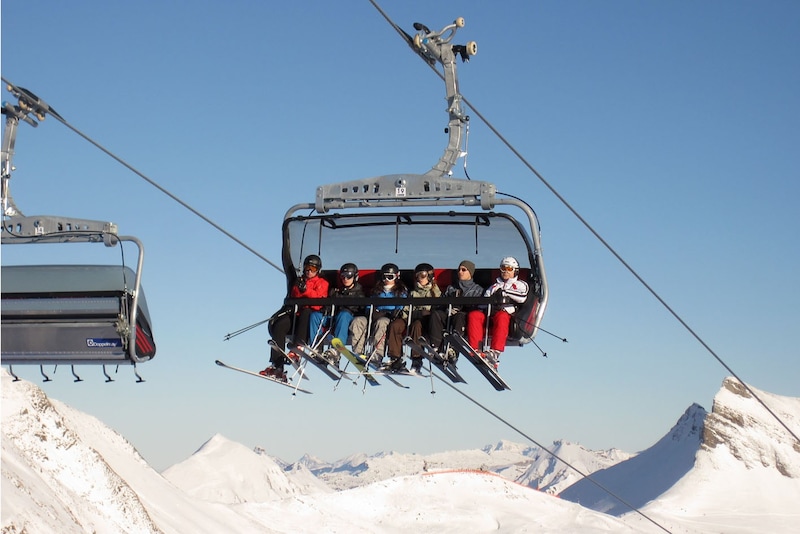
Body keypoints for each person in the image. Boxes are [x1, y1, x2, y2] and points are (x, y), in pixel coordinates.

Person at [261, 254, 329, 381]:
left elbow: (319, 300)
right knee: (280, 324)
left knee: (307, 312)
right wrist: (302, 289)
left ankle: (298, 349)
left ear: (318, 270)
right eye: (307, 268)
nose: (309, 271)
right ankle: (277, 364)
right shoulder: (299, 281)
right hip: (295, 315)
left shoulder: (322, 283)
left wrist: (306, 291)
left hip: (309, 318)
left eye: (313, 269)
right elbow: (294, 294)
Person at [466, 256, 529, 369]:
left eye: (509, 269)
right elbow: (484, 300)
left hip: (508, 313)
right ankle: (475, 348)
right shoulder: (494, 286)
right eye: (503, 268)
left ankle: (495, 351)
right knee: (474, 315)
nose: (505, 271)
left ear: (515, 271)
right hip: (490, 313)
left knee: (501, 316)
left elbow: (522, 297)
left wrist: (504, 293)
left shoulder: (520, 284)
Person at [350, 262, 408, 372]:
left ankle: (377, 356)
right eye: (384, 276)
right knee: (358, 321)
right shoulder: (377, 290)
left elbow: (401, 306)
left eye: (390, 277)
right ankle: (358, 352)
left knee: (382, 323)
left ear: (396, 276)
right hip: (374, 316)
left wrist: (393, 312)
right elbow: (369, 304)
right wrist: (371, 310)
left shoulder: (400, 291)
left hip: (388, 317)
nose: (387, 279)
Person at [311, 262, 366, 365]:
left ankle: (337, 349)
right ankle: (316, 347)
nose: (345, 279)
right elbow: (328, 304)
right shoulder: (336, 291)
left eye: (348, 276)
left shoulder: (359, 294)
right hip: (334, 316)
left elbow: (359, 309)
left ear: (355, 277)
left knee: (343, 314)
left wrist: (344, 306)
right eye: (343, 276)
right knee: (315, 316)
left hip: (348, 318)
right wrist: (326, 308)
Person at [427, 259, 484, 358]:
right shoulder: (451, 288)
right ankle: (436, 346)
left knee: (459, 316)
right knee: (436, 315)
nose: (460, 272)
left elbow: (478, 306)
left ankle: (453, 348)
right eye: (459, 270)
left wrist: (461, 307)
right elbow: (442, 301)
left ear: (470, 272)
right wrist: (447, 308)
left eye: (463, 270)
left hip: (464, 316)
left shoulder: (477, 290)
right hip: (450, 314)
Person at [407, 262, 442, 373]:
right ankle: (416, 360)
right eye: (417, 276)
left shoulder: (436, 293)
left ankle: (436, 348)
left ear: (430, 276)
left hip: (432, 323)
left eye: (422, 275)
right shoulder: (413, 293)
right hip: (418, 321)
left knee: (434, 318)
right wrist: (419, 313)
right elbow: (406, 311)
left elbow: (440, 309)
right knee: (416, 324)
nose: (420, 278)